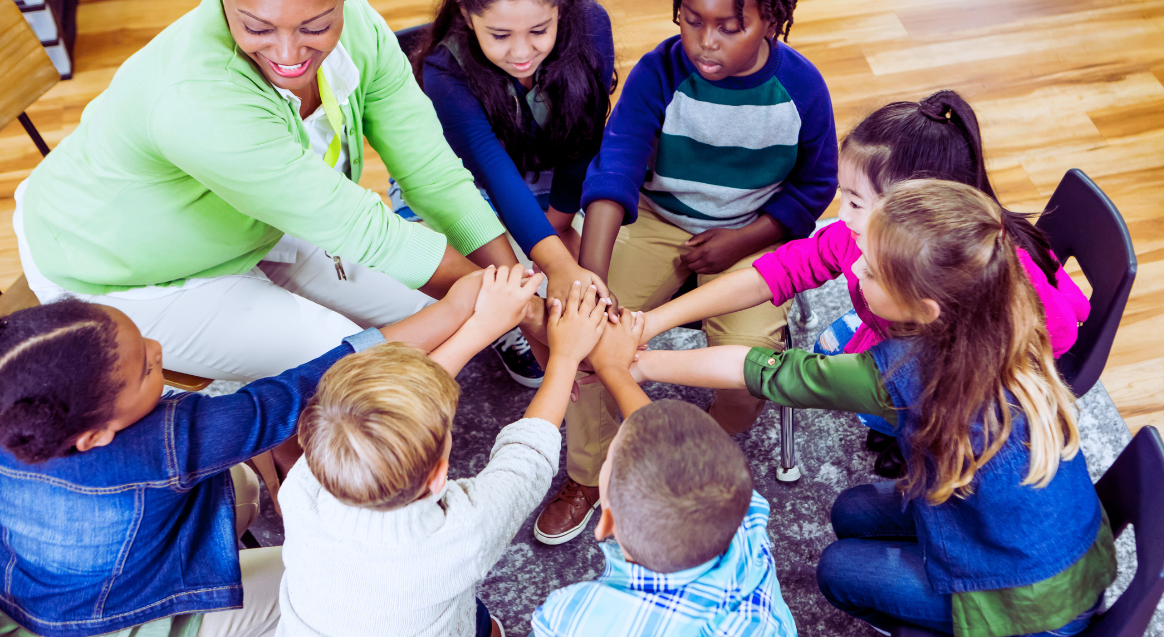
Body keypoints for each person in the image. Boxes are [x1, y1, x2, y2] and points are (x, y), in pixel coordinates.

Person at [14, 0, 539, 391]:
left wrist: (508, 283)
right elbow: (368, 231)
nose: (289, 54)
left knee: (426, 319)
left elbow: (431, 171)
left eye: (316, 23)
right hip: (128, 270)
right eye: (257, 26)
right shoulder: (193, 99)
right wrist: (524, 307)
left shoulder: (359, 25)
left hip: (257, 220)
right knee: (352, 366)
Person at [623, 180, 1117, 637]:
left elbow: (760, 369)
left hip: (1032, 602)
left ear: (926, 310)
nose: (855, 269)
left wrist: (643, 367)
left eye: (872, 270)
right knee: (851, 510)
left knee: (838, 569)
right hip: (1059, 540)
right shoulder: (1001, 313)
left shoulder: (901, 375)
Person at [0, 267, 509, 637]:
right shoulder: (168, 441)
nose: (157, 349)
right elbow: (303, 386)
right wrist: (461, 313)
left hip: (36, 588)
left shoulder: (16, 408)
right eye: (145, 371)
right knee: (327, 581)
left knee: (239, 483)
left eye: (142, 337)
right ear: (94, 434)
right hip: (112, 621)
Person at [535, 0, 838, 547]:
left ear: (772, 20)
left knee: (753, 369)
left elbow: (816, 188)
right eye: (692, 21)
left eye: (730, 27)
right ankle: (589, 473)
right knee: (590, 336)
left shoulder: (802, 90)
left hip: (752, 236)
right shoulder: (658, 72)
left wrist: (744, 238)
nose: (705, 42)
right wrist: (592, 285)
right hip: (658, 219)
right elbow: (615, 167)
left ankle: (704, 441)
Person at [639, 90, 1090, 478]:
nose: (841, 216)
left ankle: (910, 430)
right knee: (850, 354)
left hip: (956, 375)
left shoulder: (998, 286)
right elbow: (775, 273)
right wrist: (652, 322)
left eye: (855, 202)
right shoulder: (858, 240)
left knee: (882, 390)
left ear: (916, 209)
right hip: (909, 338)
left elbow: (1062, 332)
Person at [275, 277, 606, 637]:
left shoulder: (306, 480)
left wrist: (482, 327)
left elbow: (397, 405)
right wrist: (566, 357)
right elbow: (527, 457)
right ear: (438, 478)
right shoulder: (463, 534)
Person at [396, 0, 617, 386]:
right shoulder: (443, 67)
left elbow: (585, 137)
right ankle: (506, 322)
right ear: (465, 13)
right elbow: (492, 170)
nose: (521, 52)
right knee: (470, 259)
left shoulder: (591, 24)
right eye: (500, 35)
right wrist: (556, 264)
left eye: (540, 31)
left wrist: (559, 218)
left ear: (562, 6)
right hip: (473, 181)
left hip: (551, 167)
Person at [530, 396, 798, 637]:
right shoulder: (749, 518)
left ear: (606, 523)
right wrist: (615, 371)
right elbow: (676, 453)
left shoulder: (569, 615)